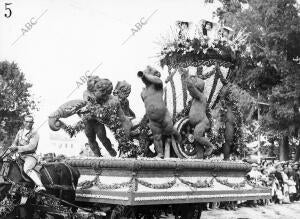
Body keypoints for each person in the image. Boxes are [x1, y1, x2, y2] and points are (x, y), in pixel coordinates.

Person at [10, 115, 46, 192]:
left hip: (30, 156)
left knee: (27, 168)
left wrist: (18, 148)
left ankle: (40, 185)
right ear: (24, 122)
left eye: (30, 122)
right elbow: (15, 142)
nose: (28, 123)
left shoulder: (34, 133)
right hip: (19, 156)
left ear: (33, 123)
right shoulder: (20, 132)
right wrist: (13, 146)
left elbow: (31, 146)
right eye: (27, 121)